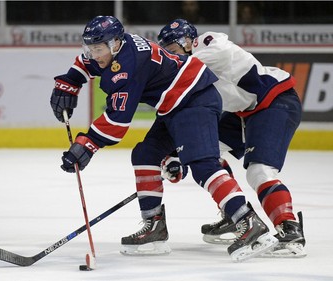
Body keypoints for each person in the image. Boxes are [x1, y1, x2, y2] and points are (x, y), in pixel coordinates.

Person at [49, 15, 278, 262]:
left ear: (115, 44)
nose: (94, 54)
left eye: (98, 48)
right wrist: (69, 82)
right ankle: (154, 227)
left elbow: (117, 122)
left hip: (195, 99)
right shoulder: (114, 49)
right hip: (174, 105)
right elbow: (85, 63)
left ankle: (248, 221)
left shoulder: (128, 66)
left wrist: (87, 145)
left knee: (202, 164)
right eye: (91, 48)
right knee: (145, 154)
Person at [157, 19, 306, 258]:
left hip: (274, 102)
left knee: (259, 172)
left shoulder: (207, 42)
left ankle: (289, 228)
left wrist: (178, 64)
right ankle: (233, 214)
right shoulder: (186, 74)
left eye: (173, 52)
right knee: (204, 153)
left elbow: (219, 49)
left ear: (188, 42)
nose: (172, 59)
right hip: (244, 113)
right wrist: (177, 157)